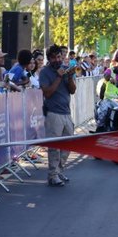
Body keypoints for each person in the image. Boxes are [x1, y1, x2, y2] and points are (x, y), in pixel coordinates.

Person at [39, 45, 76, 186]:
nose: (58, 59)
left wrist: (70, 77)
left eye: (60, 57)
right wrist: (59, 76)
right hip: (53, 113)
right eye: (54, 57)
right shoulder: (45, 72)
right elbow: (47, 92)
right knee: (54, 146)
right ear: (49, 59)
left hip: (66, 112)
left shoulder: (65, 69)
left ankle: (59, 171)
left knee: (68, 144)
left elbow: (72, 91)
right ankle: (53, 174)